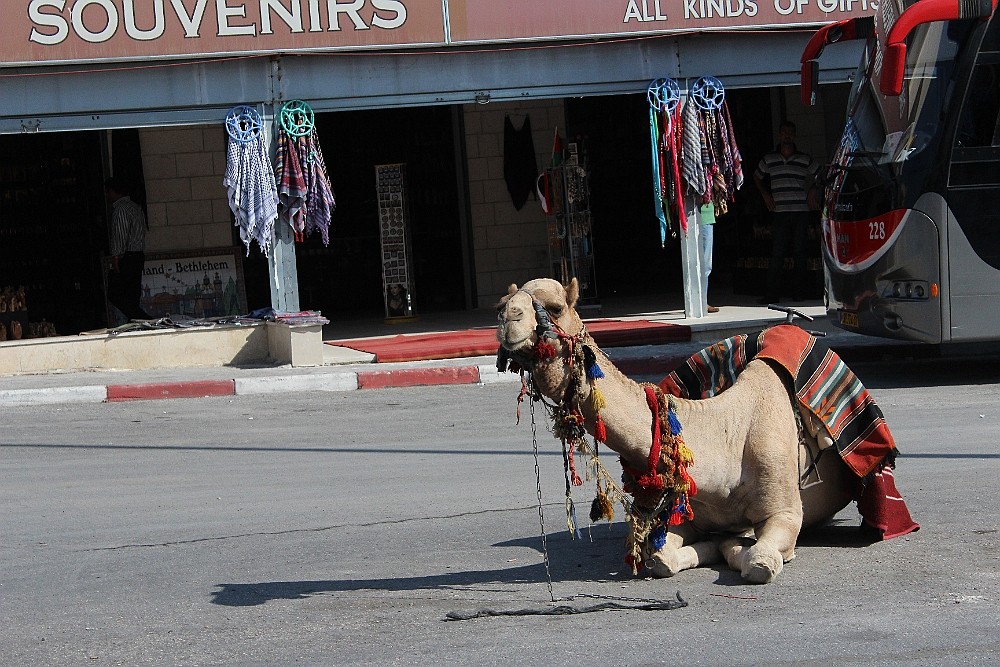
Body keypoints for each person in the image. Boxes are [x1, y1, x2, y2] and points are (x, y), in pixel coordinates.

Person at [753, 120, 821, 303]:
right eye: (785, 133)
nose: (787, 136)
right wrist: (765, 195)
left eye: (791, 133)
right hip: (779, 212)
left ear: (794, 135)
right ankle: (772, 294)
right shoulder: (769, 159)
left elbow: (821, 175)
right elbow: (757, 177)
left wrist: (813, 190)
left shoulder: (804, 159)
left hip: (800, 211)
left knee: (800, 252)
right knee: (778, 253)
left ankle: (798, 292)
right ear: (780, 135)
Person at [104, 176, 151, 321]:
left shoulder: (121, 209)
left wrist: (116, 257)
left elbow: (120, 234)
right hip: (137, 255)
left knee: (116, 294)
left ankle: (143, 319)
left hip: (127, 257)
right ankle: (136, 321)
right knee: (131, 296)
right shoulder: (135, 207)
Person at [699, 202, 720, 313]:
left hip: (707, 215)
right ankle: (700, 301)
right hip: (696, 215)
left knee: (706, 264)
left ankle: (703, 300)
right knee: (702, 264)